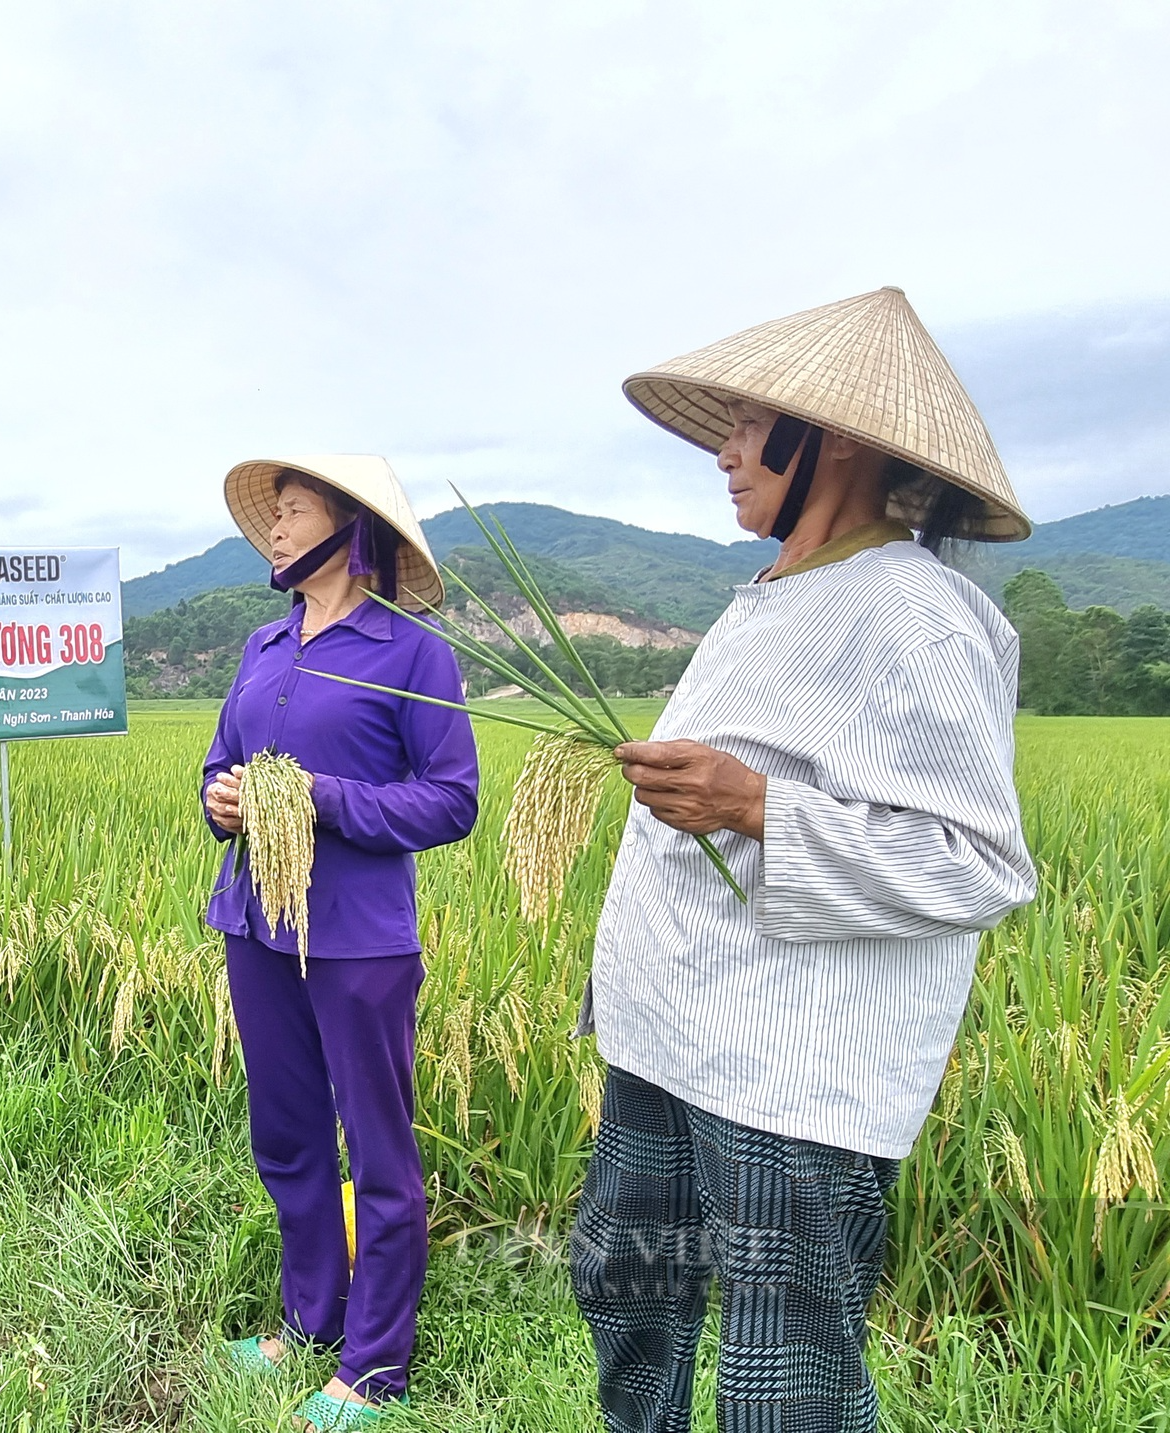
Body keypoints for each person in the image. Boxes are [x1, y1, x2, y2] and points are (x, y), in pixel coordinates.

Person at [572, 287, 1038, 1433]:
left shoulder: (913, 614)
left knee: (786, 1385)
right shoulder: (769, 595)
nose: (722, 452)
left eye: (741, 426)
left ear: (827, 436)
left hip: (788, 1068)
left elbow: (978, 863)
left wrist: (755, 806)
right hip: (664, 1035)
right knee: (624, 1293)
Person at [202, 455, 479, 1431]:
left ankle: (372, 1366)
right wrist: (224, 800)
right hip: (254, 920)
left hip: (356, 937)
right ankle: (306, 1321)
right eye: (272, 513)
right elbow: (219, 764)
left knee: (377, 1146)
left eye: (293, 510)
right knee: (284, 1133)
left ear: (349, 531)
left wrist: (317, 797)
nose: (275, 528)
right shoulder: (261, 643)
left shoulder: (410, 652)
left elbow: (450, 799)